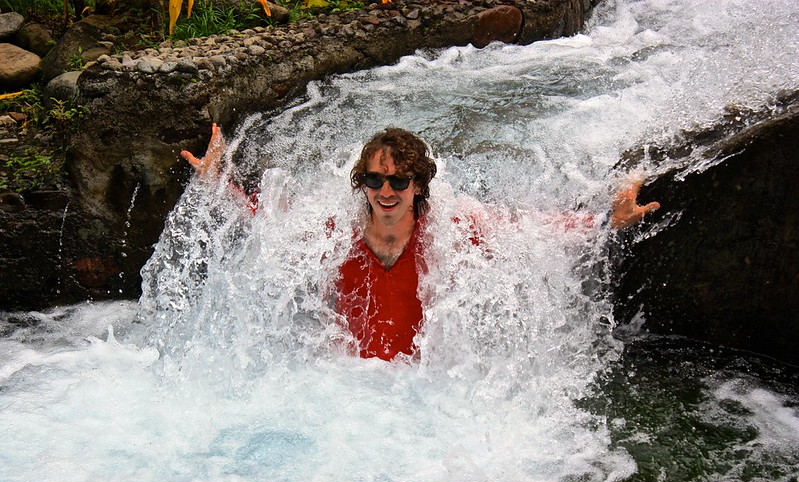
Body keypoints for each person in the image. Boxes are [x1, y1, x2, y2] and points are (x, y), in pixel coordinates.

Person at [181, 125, 660, 361]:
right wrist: (218, 182)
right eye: (374, 180)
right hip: (347, 388)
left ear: (419, 184)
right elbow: (271, 220)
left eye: (399, 181)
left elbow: (528, 229)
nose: (385, 192)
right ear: (362, 183)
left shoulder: (450, 228)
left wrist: (603, 221)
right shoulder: (336, 230)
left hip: (418, 394)